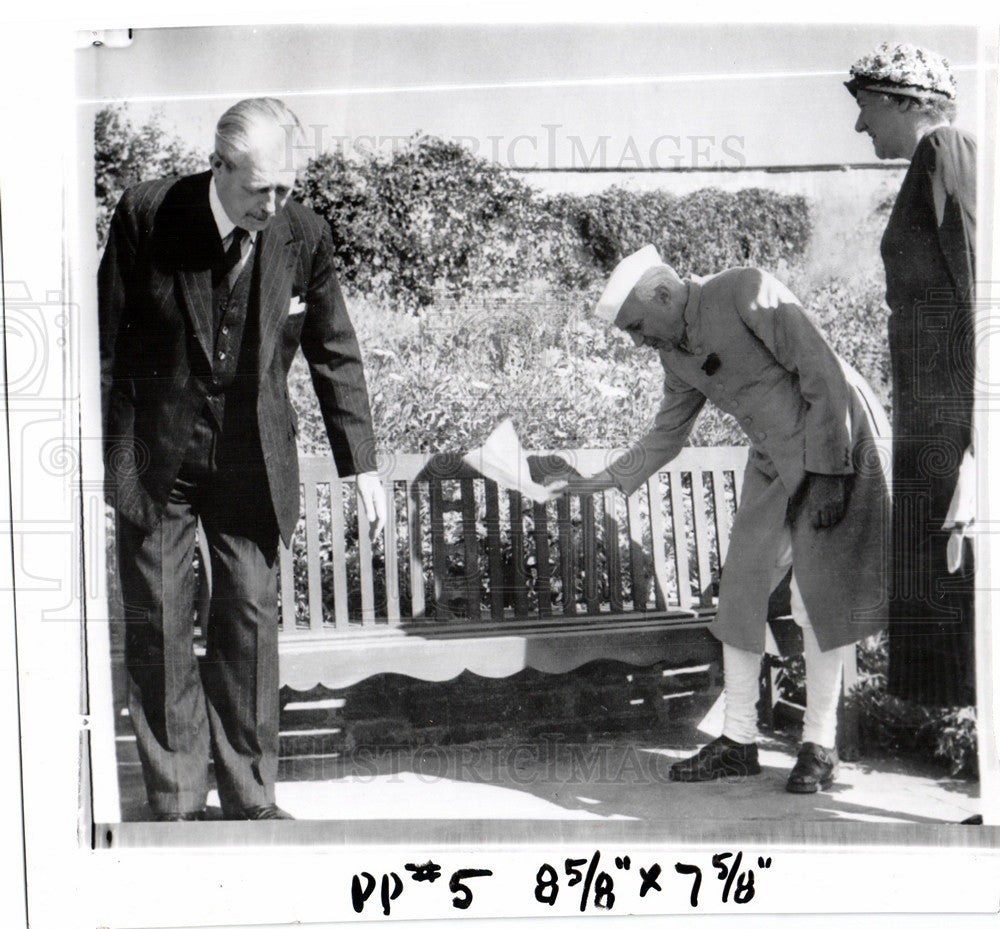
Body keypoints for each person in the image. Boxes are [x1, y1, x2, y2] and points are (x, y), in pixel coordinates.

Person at [99, 97, 386, 821]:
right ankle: (179, 805)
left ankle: (254, 801)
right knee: (161, 624)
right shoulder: (147, 214)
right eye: (261, 188)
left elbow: (333, 349)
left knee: (250, 626)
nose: (276, 202)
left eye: (287, 185)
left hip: (250, 460)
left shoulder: (303, 232)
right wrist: (92, 455)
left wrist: (363, 467)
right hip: (154, 456)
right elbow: (105, 345)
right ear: (219, 166)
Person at [553, 245, 889, 792]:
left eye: (637, 326)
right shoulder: (674, 355)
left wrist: (831, 471)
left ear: (663, 293)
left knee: (817, 598)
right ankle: (738, 742)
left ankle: (819, 746)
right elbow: (667, 435)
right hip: (772, 461)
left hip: (839, 443)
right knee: (741, 591)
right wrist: (597, 482)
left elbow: (821, 367)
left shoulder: (741, 288)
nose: (638, 342)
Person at [846, 42, 976, 708]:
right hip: (938, 432)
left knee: (978, 625)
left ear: (905, 101)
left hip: (959, 435)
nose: (861, 125)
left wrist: (983, 453)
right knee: (965, 634)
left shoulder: (947, 153)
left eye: (866, 105)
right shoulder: (933, 161)